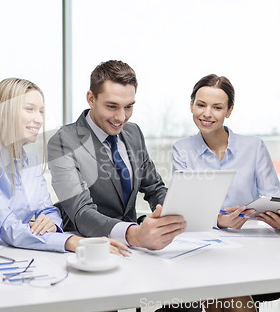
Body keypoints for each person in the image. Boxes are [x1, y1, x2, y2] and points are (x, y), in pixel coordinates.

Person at [0, 78, 128, 254]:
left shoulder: (32, 162)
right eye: (29, 109)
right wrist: (75, 242)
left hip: (24, 250)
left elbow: (48, 209)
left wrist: (51, 222)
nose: (39, 119)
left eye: (41, 111)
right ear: (3, 113)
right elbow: (8, 227)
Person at [47, 60, 186, 251]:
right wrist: (134, 234)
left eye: (128, 107)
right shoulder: (63, 141)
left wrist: (179, 216)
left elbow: (155, 188)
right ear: (91, 98)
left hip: (134, 249)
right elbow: (81, 212)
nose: (121, 118)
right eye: (112, 106)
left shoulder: (133, 132)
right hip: (90, 247)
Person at [172, 74, 280, 230]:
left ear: (229, 111)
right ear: (191, 105)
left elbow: (275, 199)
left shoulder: (254, 147)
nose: (207, 113)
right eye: (201, 105)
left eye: (217, 107)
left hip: (249, 237)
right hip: (201, 238)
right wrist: (217, 221)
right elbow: (183, 208)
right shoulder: (181, 149)